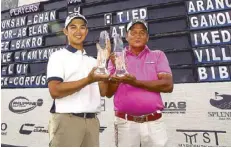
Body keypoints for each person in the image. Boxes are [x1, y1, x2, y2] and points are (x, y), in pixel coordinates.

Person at [106, 19, 174, 147]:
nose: (138, 35)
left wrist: (135, 82)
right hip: (125, 123)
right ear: (127, 36)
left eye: (142, 33)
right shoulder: (116, 57)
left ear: (147, 37)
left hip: (154, 123)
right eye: (133, 32)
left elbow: (168, 85)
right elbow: (108, 92)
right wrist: (118, 69)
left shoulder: (158, 55)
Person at [46, 13, 109, 147]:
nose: (78, 31)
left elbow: (103, 92)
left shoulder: (94, 61)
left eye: (82, 27)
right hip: (67, 120)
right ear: (65, 31)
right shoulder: (58, 56)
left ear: (86, 31)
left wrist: (104, 62)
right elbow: (55, 90)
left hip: (92, 122)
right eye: (73, 27)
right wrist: (88, 80)